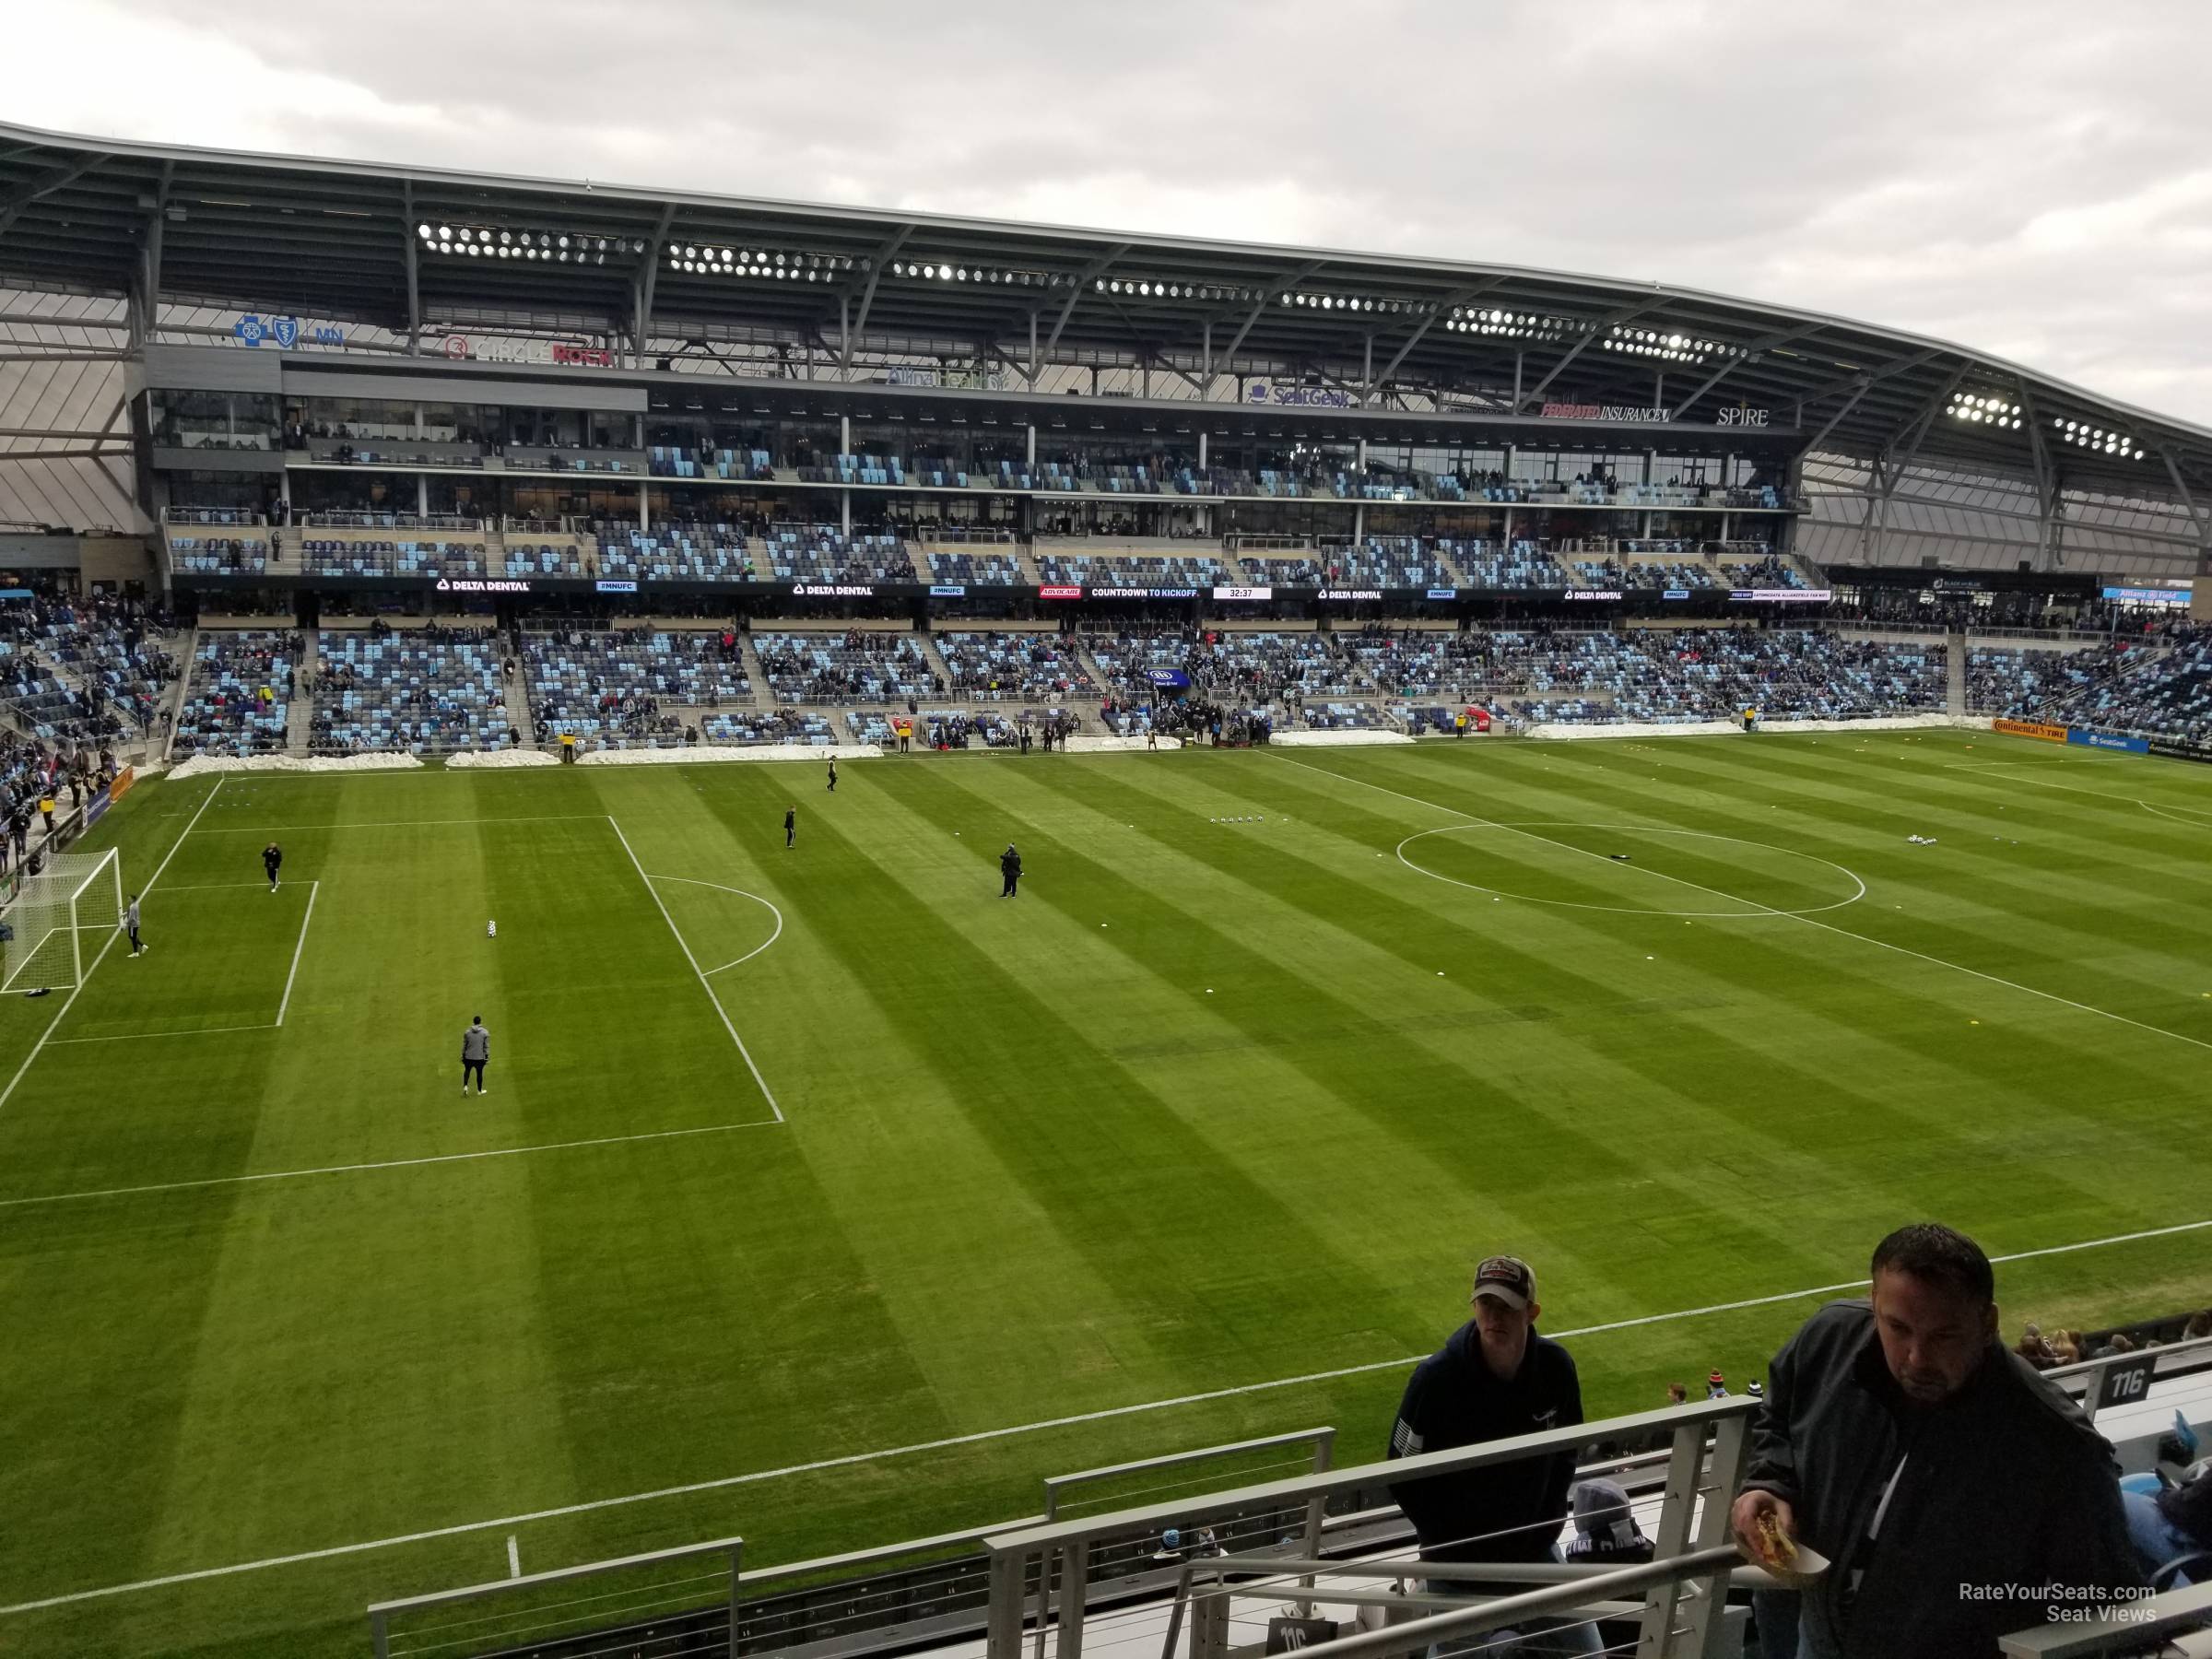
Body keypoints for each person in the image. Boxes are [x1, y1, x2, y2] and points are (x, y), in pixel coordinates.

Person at [1731, 1222, 2143, 1659]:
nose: (1917, 1358)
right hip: (1822, 1639)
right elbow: (1778, 1418)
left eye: (1943, 1335)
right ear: (1874, 1304)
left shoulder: (2059, 1446)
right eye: (1898, 1328)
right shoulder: (1828, 1339)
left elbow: (2105, 1605)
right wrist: (1769, 1484)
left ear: (1988, 1323)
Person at [1386, 1254, 1597, 1655]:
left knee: (1590, 1652)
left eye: (1506, 1306)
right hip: (1456, 1567)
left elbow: (1568, 1448)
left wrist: (1546, 1521)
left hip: (1535, 1553)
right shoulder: (1435, 1381)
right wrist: (1447, 1542)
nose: (1494, 1316)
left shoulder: (1556, 1368)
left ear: (1531, 1313)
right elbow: (1401, 1472)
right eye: (1486, 1304)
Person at [461, 1015, 489, 1096]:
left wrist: (463, 1055)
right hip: (479, 1058)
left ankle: (465, 1086)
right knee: (479, 1074)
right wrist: (486, 1058)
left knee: (467, 1071)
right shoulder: (485, 1033)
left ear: (473, 1022)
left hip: (468, 1057)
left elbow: (464, 1045)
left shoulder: (467, 1032)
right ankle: (479, 1091)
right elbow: (486, 1047)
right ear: (480, 1022)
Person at [123, 891, 145, 957]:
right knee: (132, 937)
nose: (128, 900)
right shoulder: (136, 904)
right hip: (136, 923)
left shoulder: (132, 906)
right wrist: (124, 914)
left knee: (132, 937)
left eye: (129, 899)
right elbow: (130, 911)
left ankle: (136, 952)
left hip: (133, 924)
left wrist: (126, 924)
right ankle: (143, 946)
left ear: (133, 899)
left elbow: (131, 918)